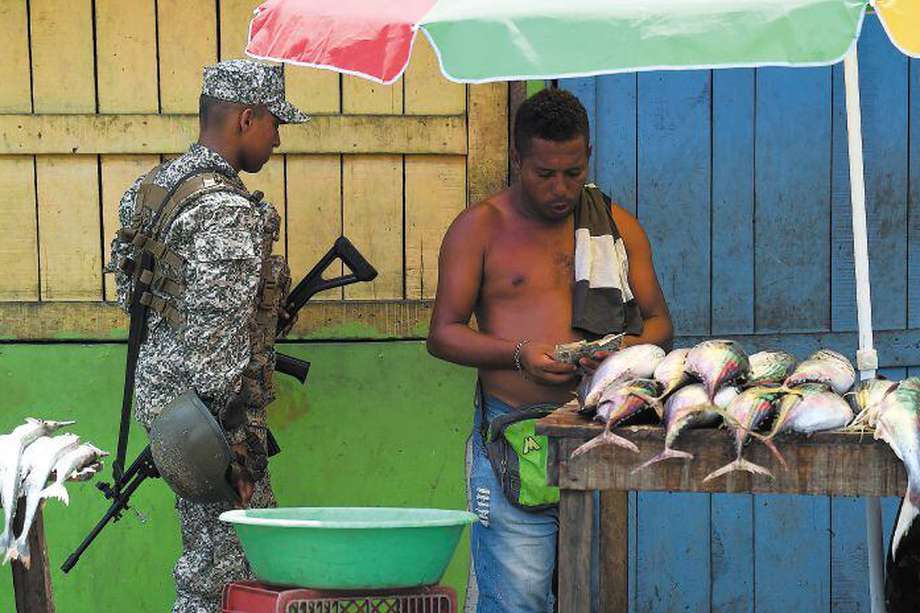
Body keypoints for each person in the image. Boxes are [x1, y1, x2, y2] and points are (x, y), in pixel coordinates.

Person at [427, 88, 673, 612]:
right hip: (514, 433)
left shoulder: (616, 225)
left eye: (573, 171)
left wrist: (614, 353)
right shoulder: (480, 228)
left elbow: (660, 326)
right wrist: (520, 354)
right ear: (517, 159)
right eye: (544, 174)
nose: (561, 188)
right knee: (515, 600)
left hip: (599, 428)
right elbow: (443, 334)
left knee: (591, 594)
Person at [108, 59, 308, 613]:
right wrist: (234, 456)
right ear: (247, 118)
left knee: (216, 562)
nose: (277, 139)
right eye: (275, 124)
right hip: (208, 425)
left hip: (164, 402)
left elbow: (133, 297)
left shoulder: (152, 188)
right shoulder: (225, 210)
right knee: (230, 576)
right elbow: (215, 354)